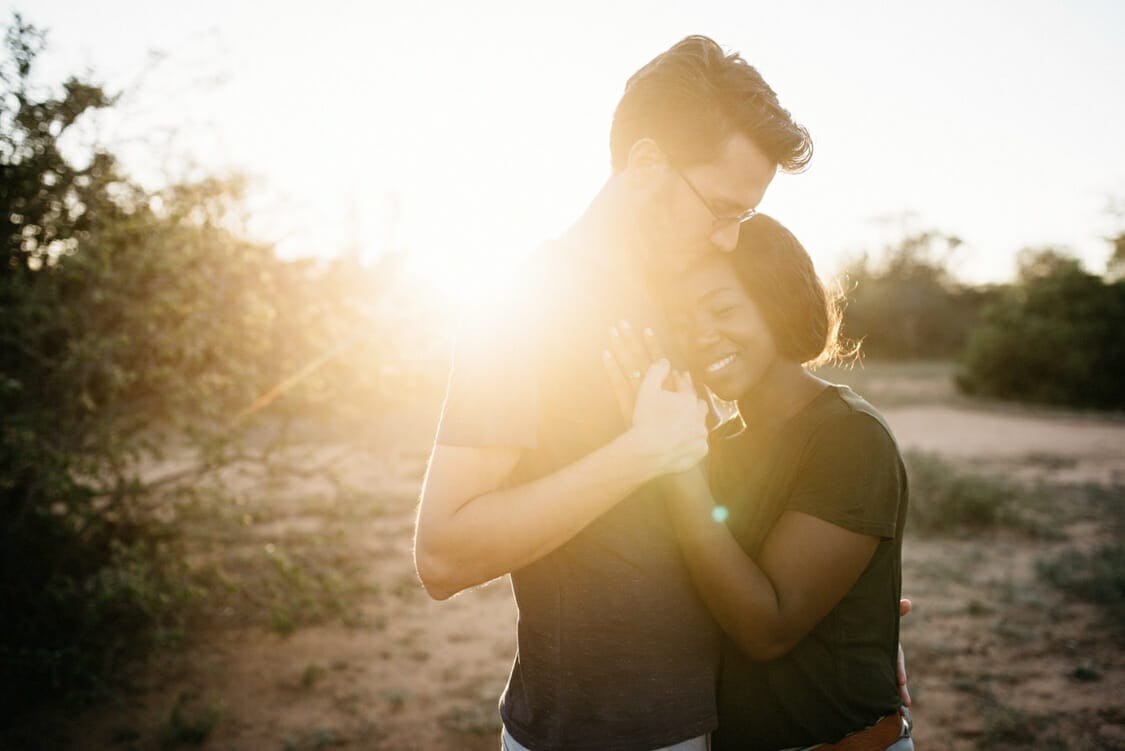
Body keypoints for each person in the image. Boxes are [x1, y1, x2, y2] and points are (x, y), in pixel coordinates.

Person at [414, 35, 813, 751]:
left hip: (718, 713)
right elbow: (442, 555)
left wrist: (841, 616)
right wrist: (640, 452)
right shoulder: (525, 305)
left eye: (743, 218)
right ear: (646, 163)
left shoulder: (686, 298)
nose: (728, 240)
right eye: (720, 208)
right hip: (594, 734)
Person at [605, 214, 912, 750]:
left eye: (722, 309)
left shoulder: (849, 437)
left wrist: (677, 466)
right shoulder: (720, 444)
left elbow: (766, 629)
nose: (701, 335)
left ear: (779, 303)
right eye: (681, 319)